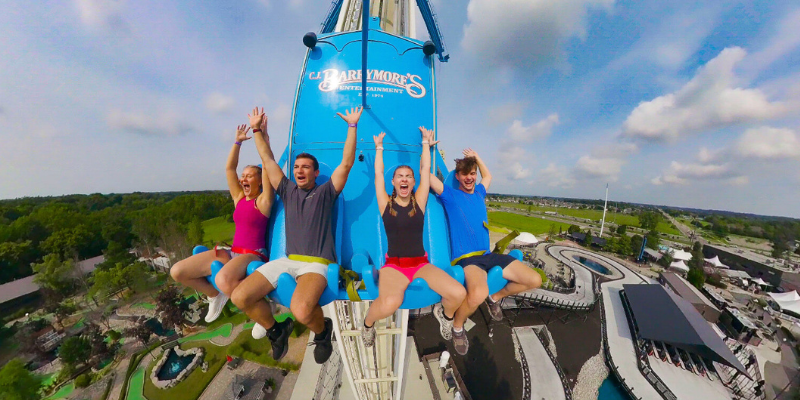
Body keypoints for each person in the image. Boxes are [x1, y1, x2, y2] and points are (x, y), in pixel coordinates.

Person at [230, 106, 362, 363]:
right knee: (239, 297)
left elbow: (346, 164)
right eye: (297, 167)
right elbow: (267, 161)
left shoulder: (326, 193)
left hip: (317, 264)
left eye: (306, 167)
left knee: (302, 311)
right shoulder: (288, 191)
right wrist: (256, 129)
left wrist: (352, 126)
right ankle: (276, 330)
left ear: (315, 173)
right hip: (288, 259)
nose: (300, 170)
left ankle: (322, 332)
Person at [429, 148, 542, 355]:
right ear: (458, 177)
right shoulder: (451, 195)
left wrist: (477, 158)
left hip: (487, 255)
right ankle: (457, 327)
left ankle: (495, 297)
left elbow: (488, 176)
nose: (470, 178)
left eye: (473, 173)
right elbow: (427, 177)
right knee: (477, 293)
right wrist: (425, 148)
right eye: (465, 174)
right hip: (468, 259)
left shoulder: (480, 192)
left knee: (534, 280)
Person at [360, 128, 467, 347]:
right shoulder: (385, 205)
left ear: (413, 182)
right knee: (390, 303)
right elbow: (378, 175)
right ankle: (368, 324)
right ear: (393, 182)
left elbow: (425, 168)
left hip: (420, 264)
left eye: (409, 176)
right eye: (400, 176)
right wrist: (379, 148)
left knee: (458, 293)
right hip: (394, 266)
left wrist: (426, 144)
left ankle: (444, 316)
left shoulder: (418, 203)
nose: (405, 179)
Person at [170, 124, 274, 325]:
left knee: (223, 279)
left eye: (249, 176)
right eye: (243, 176)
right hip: (232, 252)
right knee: (178, 272)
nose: (243, 178)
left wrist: (262, 137)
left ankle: (263, 313)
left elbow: (267, 164)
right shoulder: (239, 198)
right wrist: (237, 142)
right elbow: (229, 168)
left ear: (260, 181)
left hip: (253, 254)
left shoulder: (262, 201)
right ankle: (215, 295)